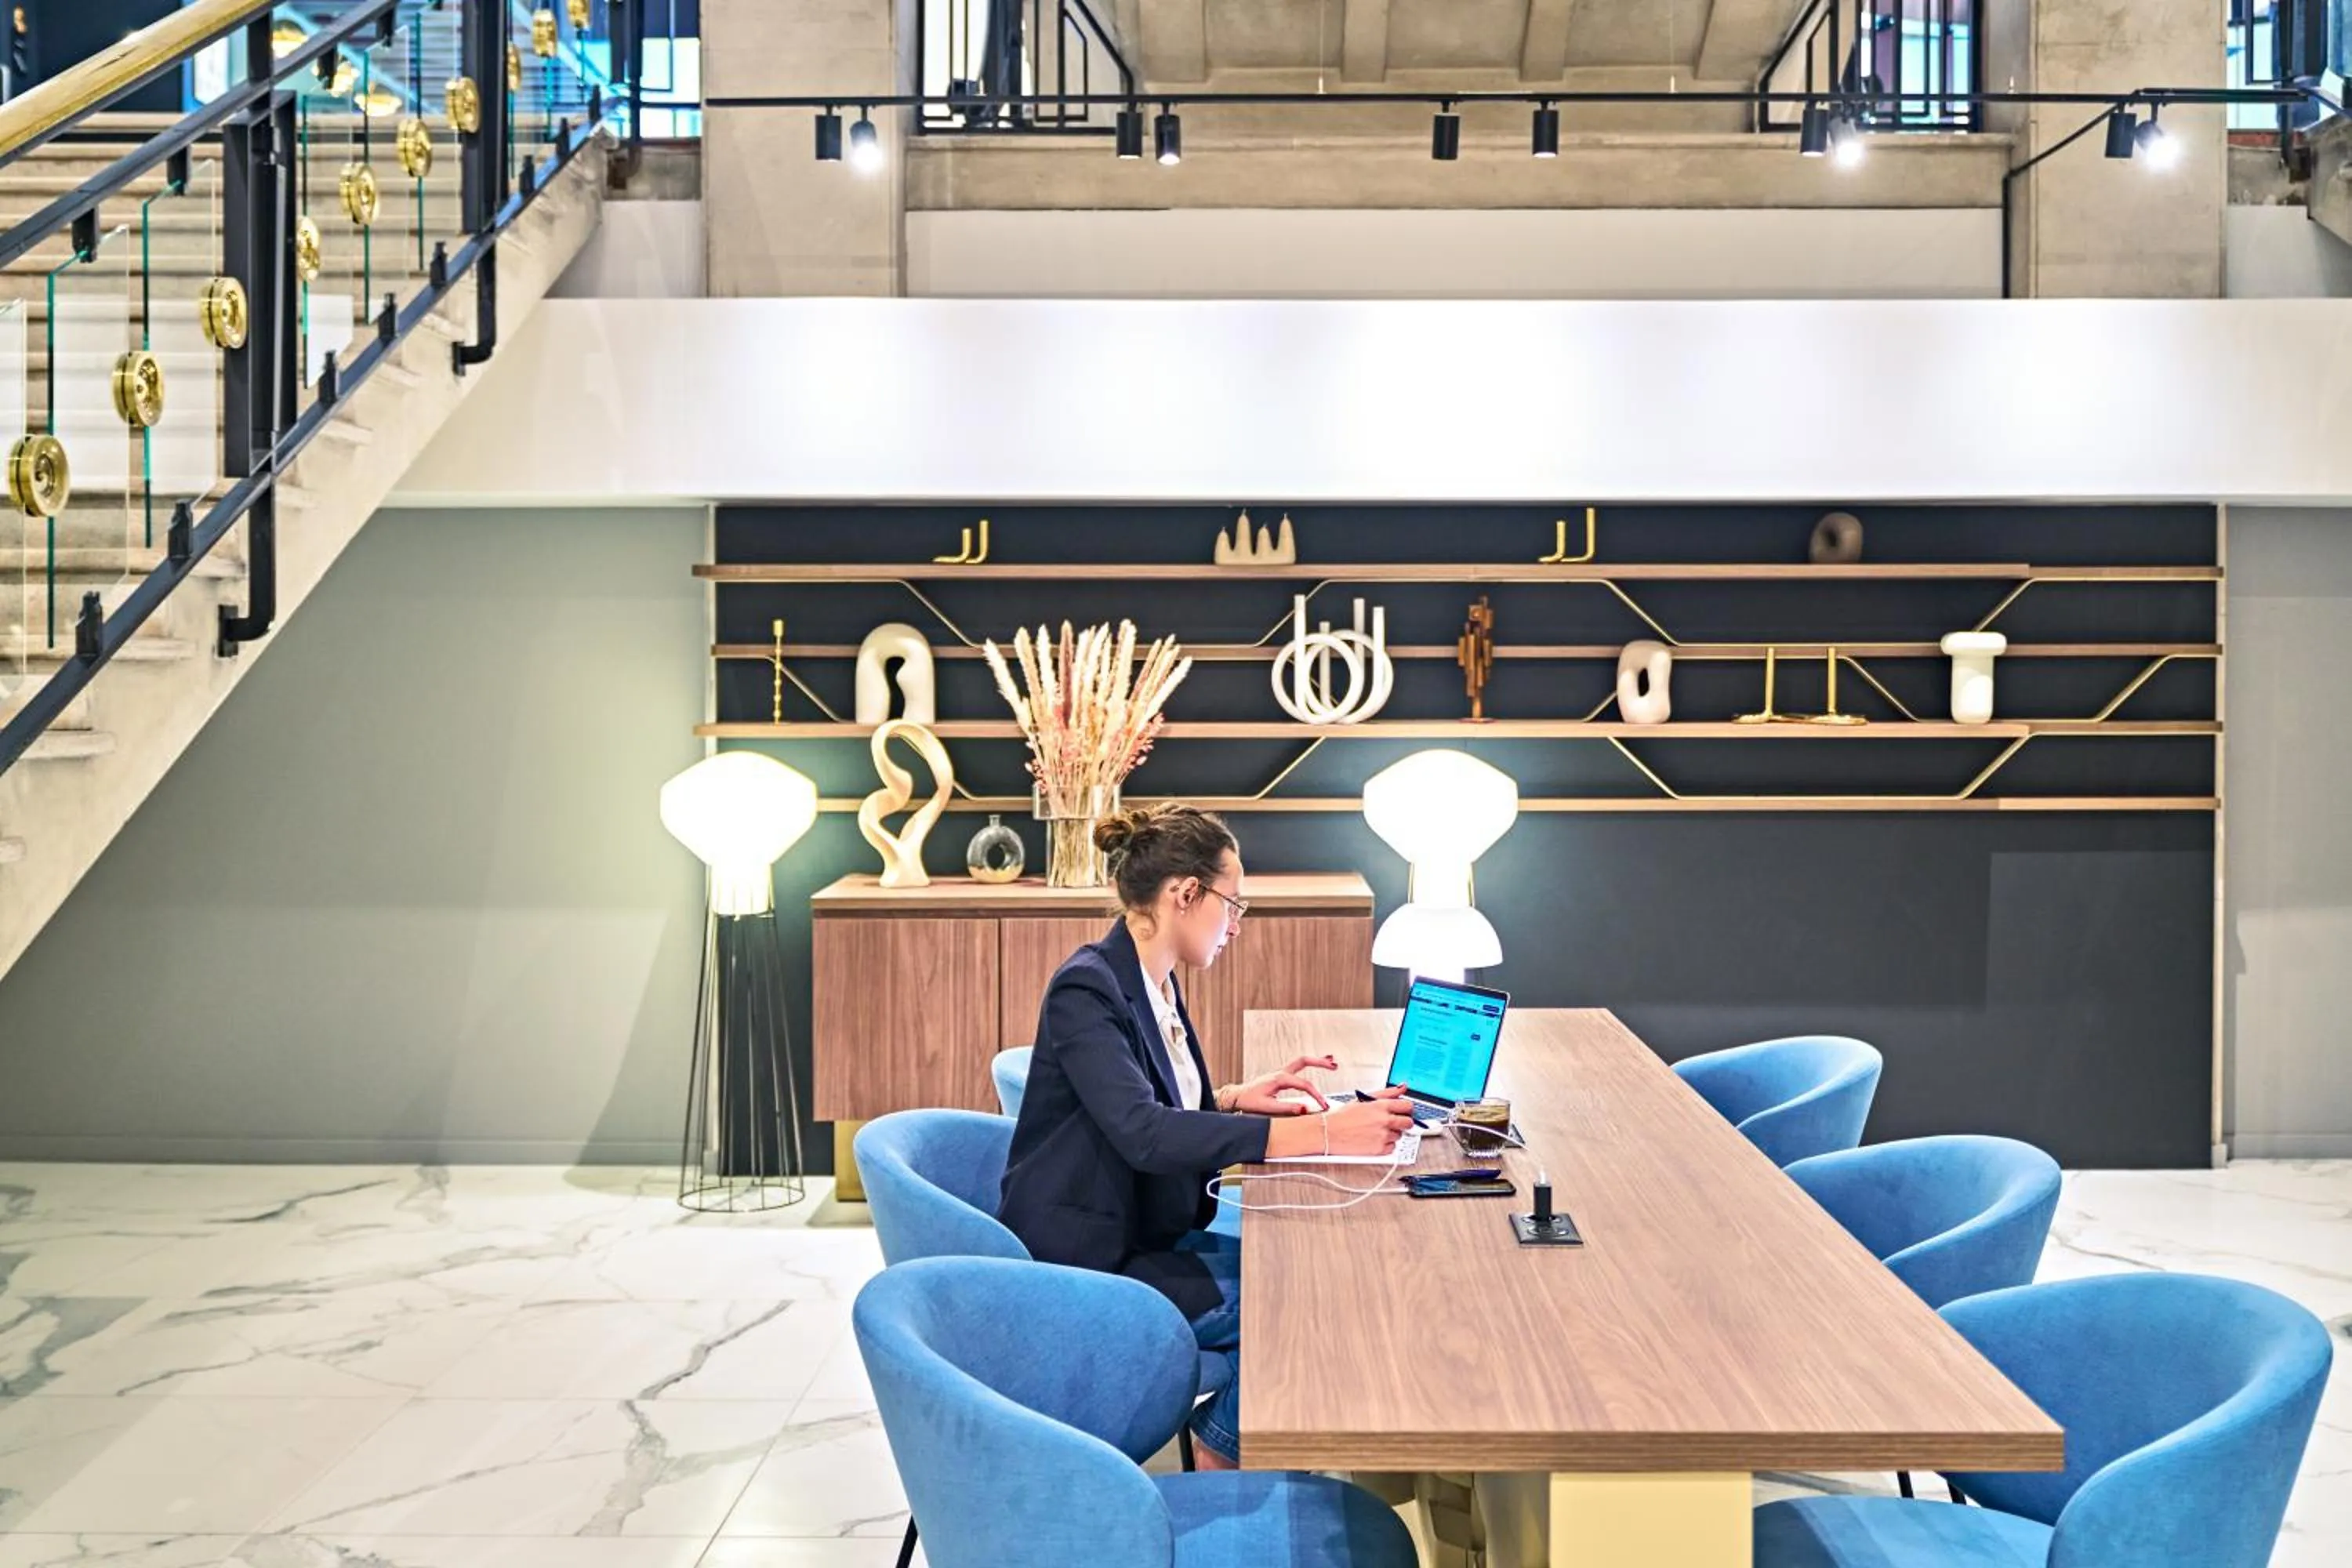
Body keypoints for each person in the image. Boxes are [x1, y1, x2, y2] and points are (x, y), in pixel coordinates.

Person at [997, 803, 1414, 1468]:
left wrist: (1231, 1099)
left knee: (1311, 1277)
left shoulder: (1150, 982)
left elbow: (1140, 1101)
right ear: (1185, 894)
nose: (1236, 926)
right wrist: (1328, 1131)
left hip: (1144, 1228)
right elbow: (1144, 1134)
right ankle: (1220, 1449)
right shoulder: (1087, 988)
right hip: (1096, 1260)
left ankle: (1249, 1444)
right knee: (1303, 1305)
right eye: (1233, 904)